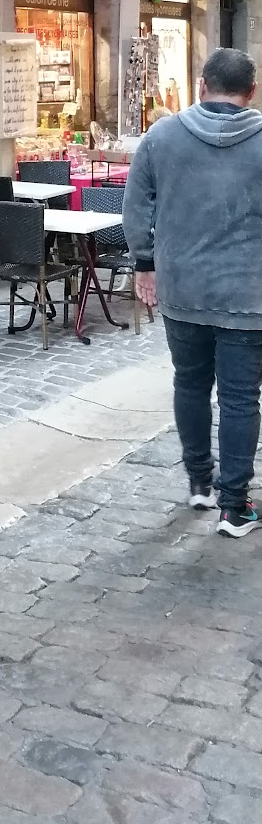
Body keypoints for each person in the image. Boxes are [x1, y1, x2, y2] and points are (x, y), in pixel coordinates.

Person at [124, 48, 262, 537]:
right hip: (249, 294)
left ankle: (200, 483)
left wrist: (145, 264)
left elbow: (135, 207)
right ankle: (235, 506)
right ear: (252, 92)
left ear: (202, 85)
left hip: (182, 286)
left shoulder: (161, 136)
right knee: (241, 398)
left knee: (190, 383)